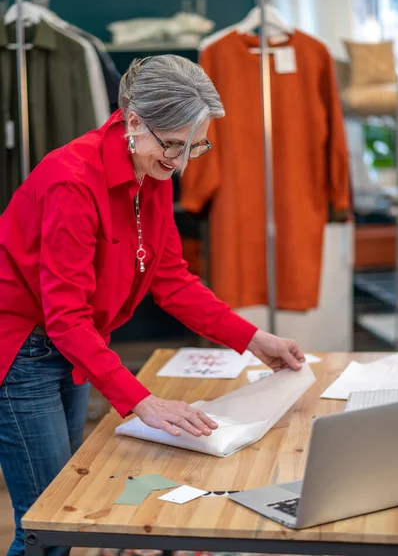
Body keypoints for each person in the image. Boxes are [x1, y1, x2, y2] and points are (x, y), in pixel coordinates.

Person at [0, 55, 304, 556]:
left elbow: (170, 279)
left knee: (65, 508)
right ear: (134, 119)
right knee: (45, 525)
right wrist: (143, 402)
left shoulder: (151, 170)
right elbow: (66, 317)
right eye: (173, 145)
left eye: (195, 147)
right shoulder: (72, 180)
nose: (182, 162)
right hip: (24, 351)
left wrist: (253, 340)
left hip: (74, 346)